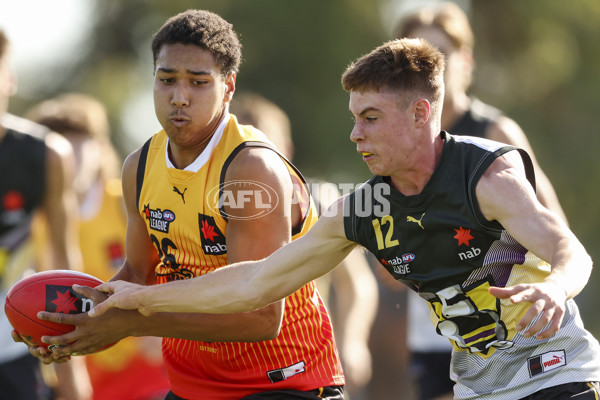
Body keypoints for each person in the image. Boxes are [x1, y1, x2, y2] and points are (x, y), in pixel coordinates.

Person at [88, 38, 600, 400]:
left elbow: (568, 250)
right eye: (354, 118)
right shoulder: (364, 208)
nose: (355, 135)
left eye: (371, 118)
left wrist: (556, 286)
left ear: (421, 114)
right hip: (477, 386)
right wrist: (141, 300)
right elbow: (255, 282)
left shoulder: (484, 173)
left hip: (556, 376)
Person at [28, 10, 345, 400]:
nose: (179, 96)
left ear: (228, 87)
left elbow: (261, 316)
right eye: (167, 80)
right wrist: (73, 324)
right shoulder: (139, 166)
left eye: (198, 82)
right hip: (189, 385)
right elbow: (138, 274)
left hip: (284, 382)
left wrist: (132, 325)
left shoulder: (251, 167)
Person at [393, 3, 570, 399]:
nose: (427, 70)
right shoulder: (394, 147)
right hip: (437, 339)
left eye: (439, 55)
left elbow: (557, 231)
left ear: (466, 61)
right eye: (414, 59)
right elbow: (391, 264)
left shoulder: (494, 131)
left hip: (507, 334)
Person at [230, 92, 378, 398]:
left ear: (288, 148)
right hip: (229, 371)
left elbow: (358, 284)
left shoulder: (320, 198)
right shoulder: (215, 205)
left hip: (306, 369)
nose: (258, 162)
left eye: (268, 148)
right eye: (245, 151)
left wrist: (353, 340)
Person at [25, 93, 170, 400]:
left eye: (79, 142)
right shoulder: (29, 220)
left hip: (143, 365)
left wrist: (162, 325)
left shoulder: (128, 201)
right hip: (76, 369)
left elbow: (175, 265)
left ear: (101, 149)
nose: (69, 155)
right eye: (58, 143)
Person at [0, 29, 91, 400]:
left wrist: (73, 371)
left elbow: (63, 258)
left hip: (12, 347)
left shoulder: (48, 154)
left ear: (10, 77)